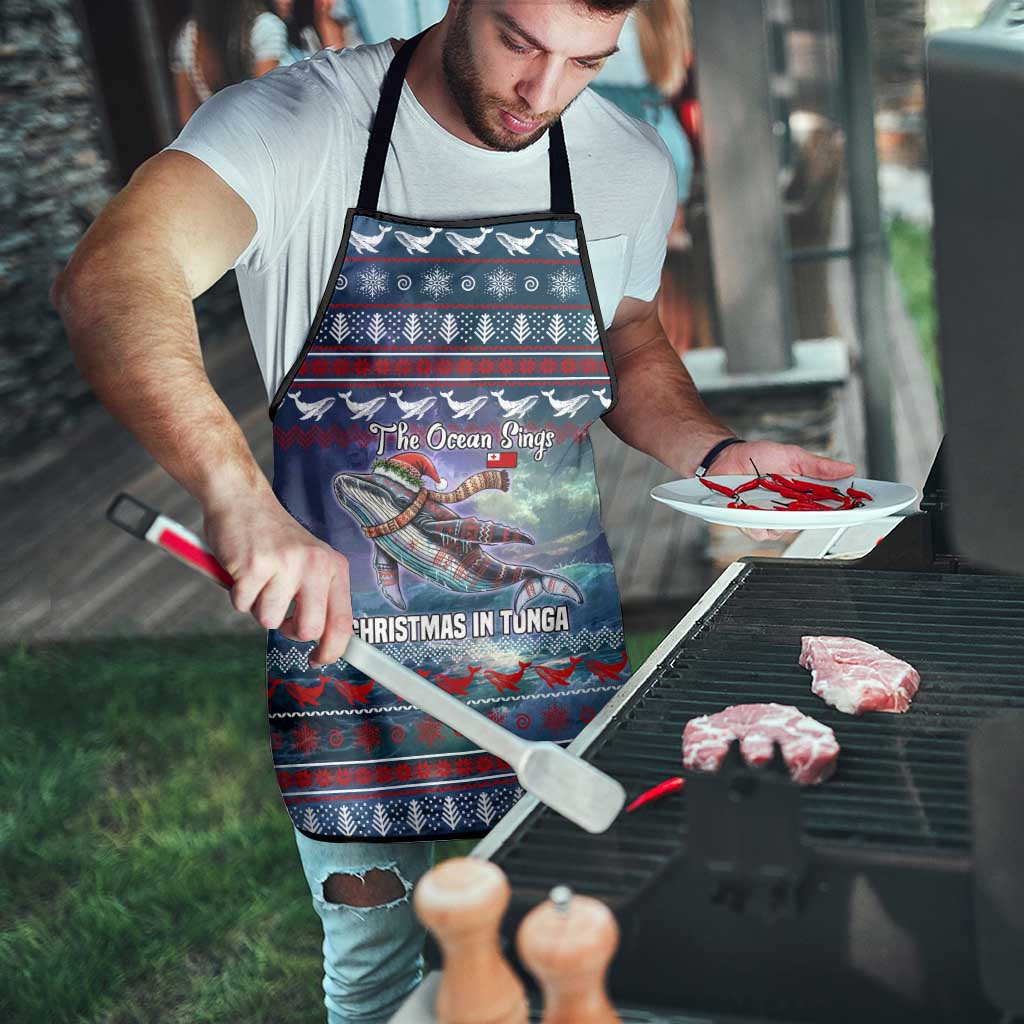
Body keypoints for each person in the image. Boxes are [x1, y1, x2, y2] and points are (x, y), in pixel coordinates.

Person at [53, 1, 856, 1020]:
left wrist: (718, 449)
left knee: (575, 952)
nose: (544, 93)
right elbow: (113, 276)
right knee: (380, 976)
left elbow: (628, 338)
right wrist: (235, 495)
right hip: (353, 670)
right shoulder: (298, 125)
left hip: (554, 658)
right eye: (521, 42)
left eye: (585, 62)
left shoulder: (623, 161)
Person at [170, 0, 289, 126]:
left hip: (215, 139)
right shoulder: (266, 27)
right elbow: (266, 107)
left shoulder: (188, 37)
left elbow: (188, 121)